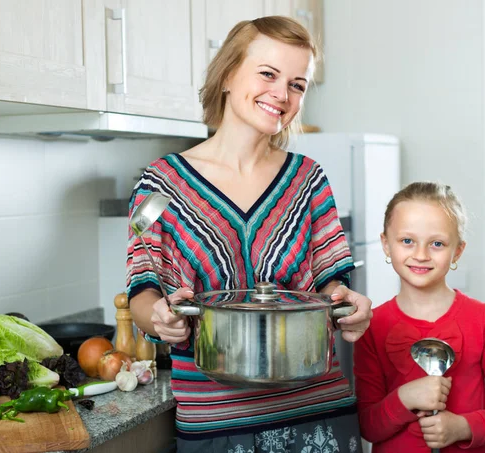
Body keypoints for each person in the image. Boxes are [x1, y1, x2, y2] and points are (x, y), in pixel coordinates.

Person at [126, 16, 373, 453]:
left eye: (297, 84)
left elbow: (332, 282)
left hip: (317, 417)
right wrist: (157, 317)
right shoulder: (158, 186)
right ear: (226, 74)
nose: (282, 93)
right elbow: (142, 288)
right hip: (216, 424)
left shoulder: (309, 180)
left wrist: (349, 303)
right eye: (267, 74)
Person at [353, 181, 485, 452]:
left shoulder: (483, 320)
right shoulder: (371, 326)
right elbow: (367, 426)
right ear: (386, 245)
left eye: (437, 243)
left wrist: (462, 427)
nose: (421, 255)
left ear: (457, 250)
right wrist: (405, 397)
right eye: (407, 241)